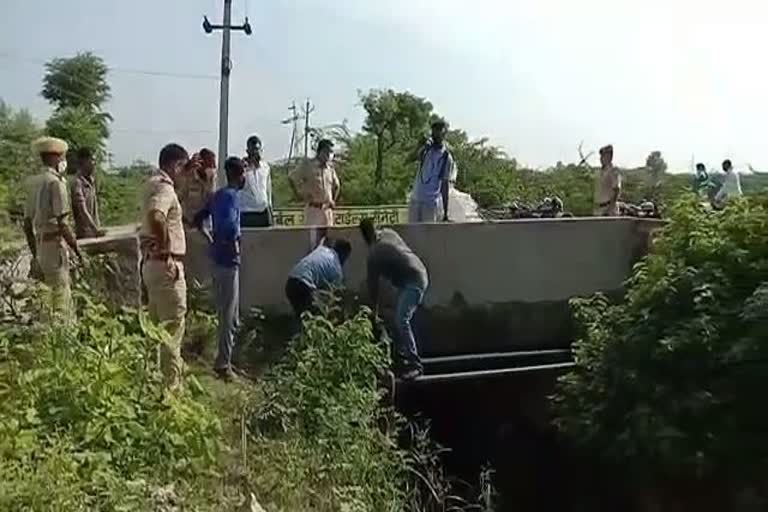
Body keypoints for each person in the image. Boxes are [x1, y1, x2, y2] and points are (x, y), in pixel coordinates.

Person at [139, 143, 192, 390]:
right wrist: (166, 249)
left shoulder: (151, 185)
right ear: (176, 165)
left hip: (151, 265)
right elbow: (158, 216)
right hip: (164, 265)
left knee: (156, 329)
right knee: (172, 331)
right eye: (184, 167)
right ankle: (170, 393)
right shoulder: (164, 187)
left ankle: (151, 384)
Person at [194, 157, 246, 381]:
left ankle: (225, 360)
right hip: (227, 263)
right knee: (228, 316)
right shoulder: (231, 197)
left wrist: (210, 239)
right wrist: (233, 246)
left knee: (230, 315)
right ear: (239, 174)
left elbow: (198, 219)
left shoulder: (218, 196)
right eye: (243, 173)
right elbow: (229, 226)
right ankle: (223, 365)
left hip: (218, 261)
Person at [359, 219, 429, 380]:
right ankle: (402, 356)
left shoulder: (374, 255)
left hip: (413, 282)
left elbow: (373, 290)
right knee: (395, 318)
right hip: (415, 274)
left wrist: (374, 315)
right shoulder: (389, 233)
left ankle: (415, 364)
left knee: (401, 320)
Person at [31, 136, 81, 320]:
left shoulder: (34, 182)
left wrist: (34, 253)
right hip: (54, 247)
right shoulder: (56, 183)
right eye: (62, 157)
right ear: (55, 158)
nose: (63, 161)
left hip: (41, 246)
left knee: (46, 300)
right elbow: (63, 222)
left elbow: (28, 222)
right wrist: (76, 248)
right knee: (61, 300)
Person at [284, 238, 352, 318]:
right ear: (345, 255)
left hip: (291, 281)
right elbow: (334, 296)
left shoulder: (321, 249)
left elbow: (322, 240)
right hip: (304, 285)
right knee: (315, 316)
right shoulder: (337, 269)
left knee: (301, 315)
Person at [409, 119, 457, 223]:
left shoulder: (446, 157)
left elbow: (445, 185)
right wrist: (420, 146)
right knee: (411, 235)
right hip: (415, 199)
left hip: (430, 203)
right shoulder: (426, 150)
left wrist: (445, 212)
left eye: (439, 132)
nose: (435, 135)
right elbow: (410, 159)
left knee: (427, 236)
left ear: (444, 134)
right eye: (434, 131)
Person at [289, 138, 340, 233]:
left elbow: (336, 185)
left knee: (329, 240)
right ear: (320, 151)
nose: (329, 155)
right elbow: (292, 178)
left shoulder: (330, 168)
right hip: (314, 210)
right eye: (327, 152)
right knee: (313, 240)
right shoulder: (308, 165)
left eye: (331, 152)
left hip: (327, 211)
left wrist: (332, 200)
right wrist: (299, 195)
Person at [70, 147, 105, 239]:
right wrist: (95, 229)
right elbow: (82, 210)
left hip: (94, 232)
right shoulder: (77, 182)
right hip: (85, 234)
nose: (94, 163)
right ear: (84, 161)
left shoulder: (91, 181)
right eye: (92, 160)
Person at [240, 135, 273, 227]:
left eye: (258, 149)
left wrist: (270, 210)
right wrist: (244, 168)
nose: (256, 152)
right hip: (246, 212)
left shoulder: (266, 167)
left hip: (263, 211)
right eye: (253, 149)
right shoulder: (242, 167)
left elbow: (268, 191)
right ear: (248, 151)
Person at [177, 148, 215, 226]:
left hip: (205, 226)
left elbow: (211, 201)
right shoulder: (188, 178)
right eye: (210, 165)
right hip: (187, 225)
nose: (212, 167)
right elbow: (177, 199)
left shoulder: (212, 179)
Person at [594, 144, 622, 216]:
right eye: (601, 156)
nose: (601, 158)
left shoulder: (613, 171)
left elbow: (616, 190)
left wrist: (610, 208)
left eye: (603, 156)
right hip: (599, 208)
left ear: (609, 156)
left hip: (608, 209)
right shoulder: (600, 172)